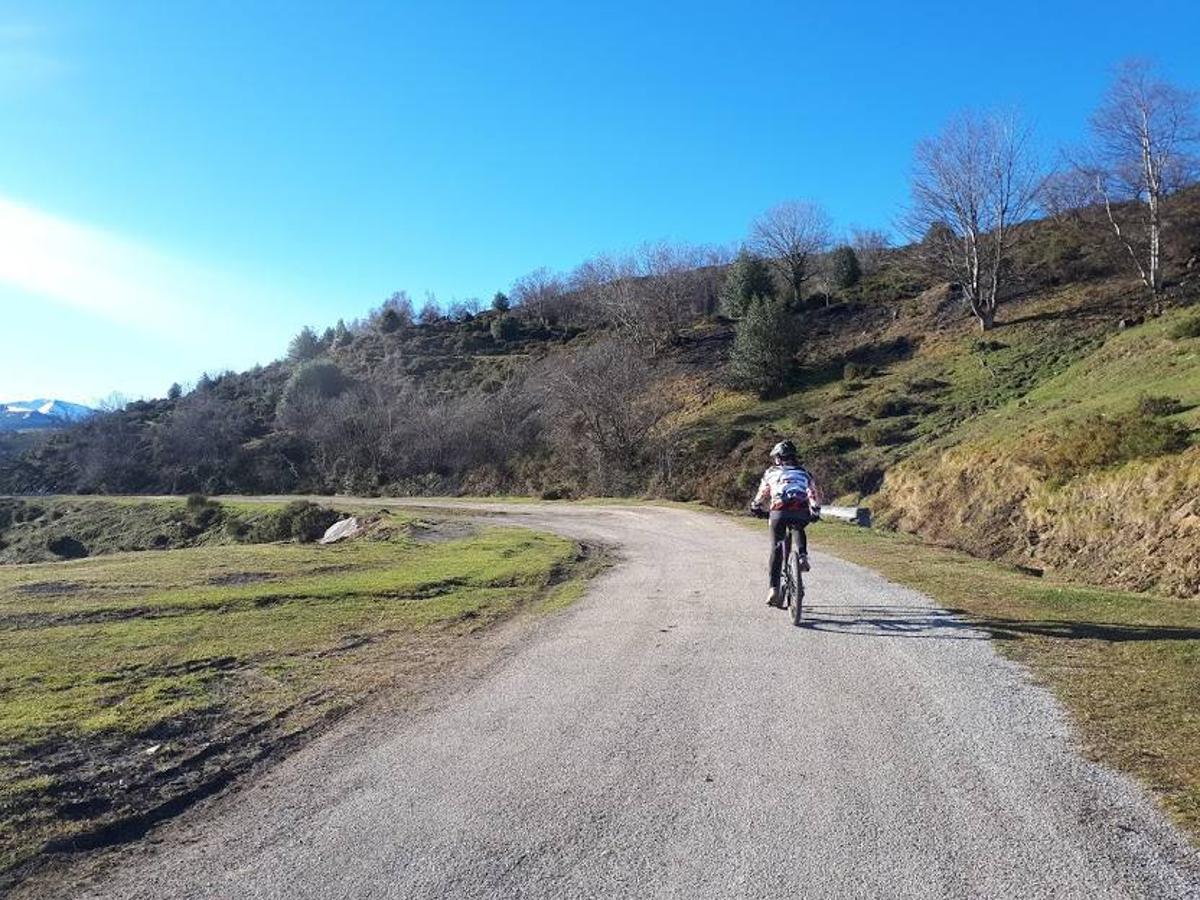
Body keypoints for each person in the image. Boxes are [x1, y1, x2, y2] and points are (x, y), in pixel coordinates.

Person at [749, 440, 822, 608]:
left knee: (776, 547)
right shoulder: (804, 472)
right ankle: (803, 556)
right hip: (800, 510)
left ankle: (773, 589)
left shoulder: (771, 472)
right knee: (798, 525)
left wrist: (756, 506)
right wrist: (815, 510)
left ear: (779, 458)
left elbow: (762, 494)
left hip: (779, 511)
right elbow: (812, 493)